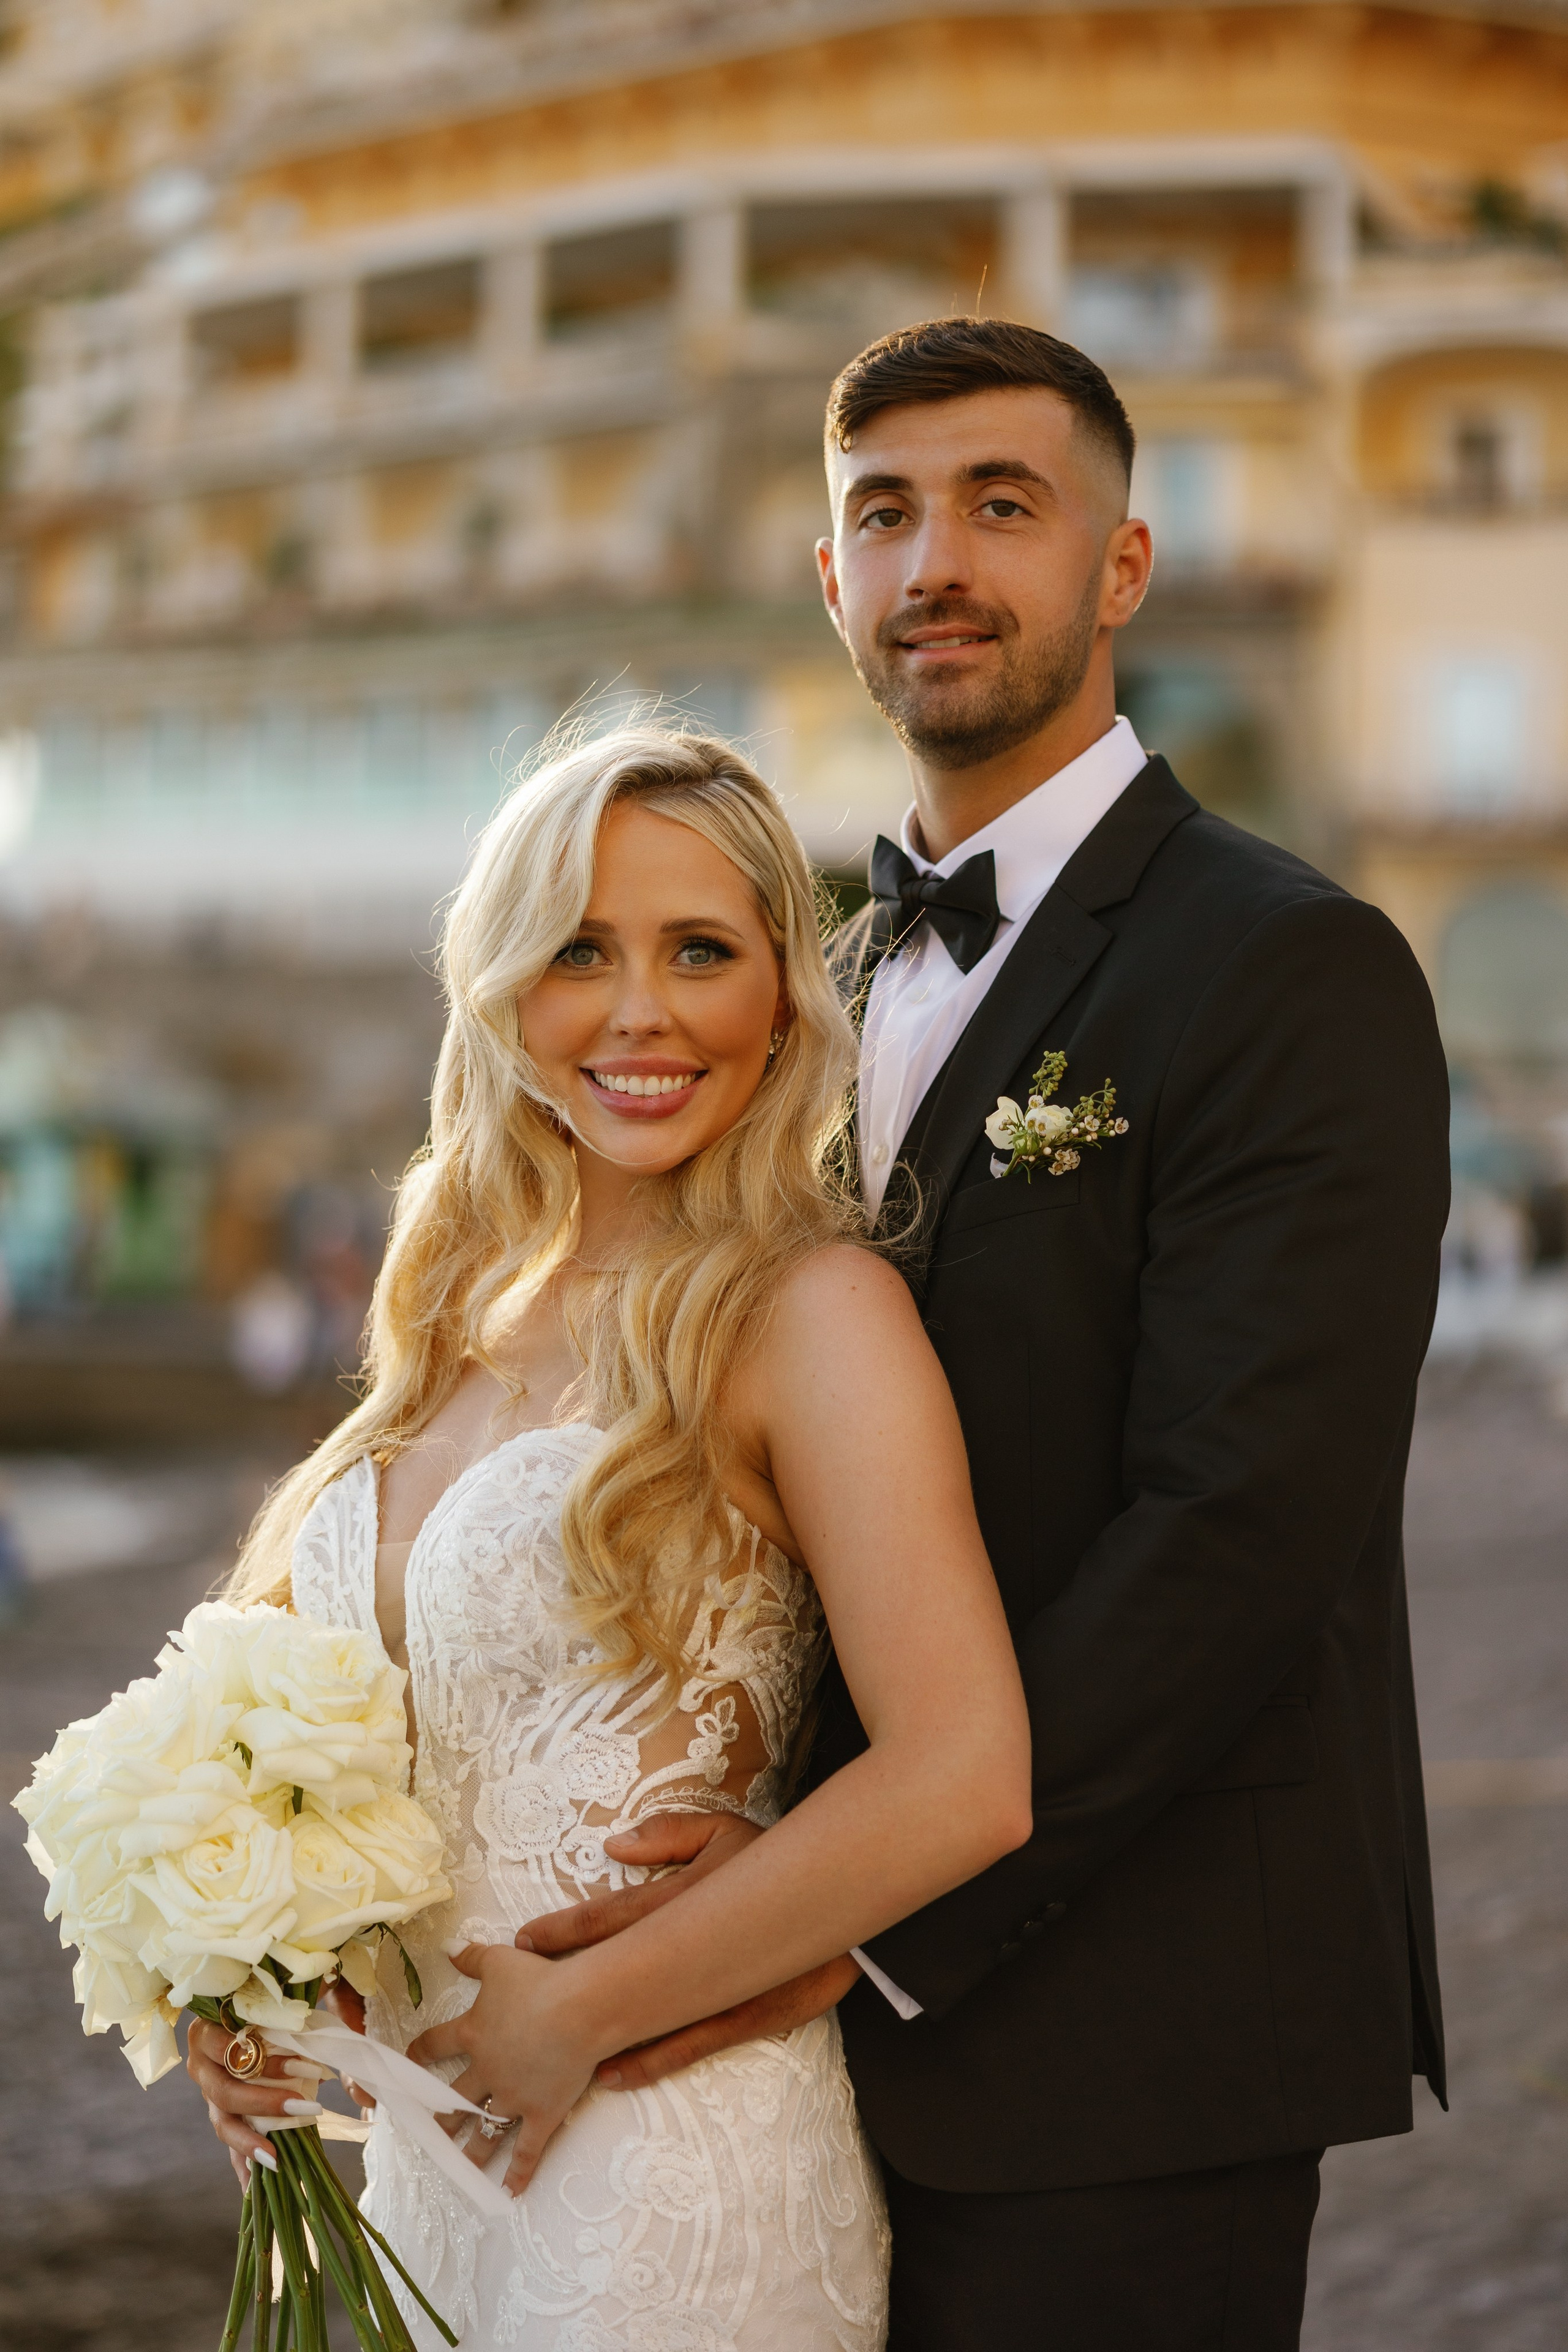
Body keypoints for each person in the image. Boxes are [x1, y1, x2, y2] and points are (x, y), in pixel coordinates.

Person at [521, 318, 1452, 2351]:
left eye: (1001, 507)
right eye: (886, 514)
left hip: (1139, 2017)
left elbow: (1246, 1529)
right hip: (785, 2050)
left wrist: (854, 1926)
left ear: (1120, 569)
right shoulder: (807, 989)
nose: (938, 560)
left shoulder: (1292, 964)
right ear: (830, 582)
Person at [184, 723, 1033, 2350]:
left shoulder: (810, 1315)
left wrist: (577, 2012)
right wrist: (252, 1991)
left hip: (670, 2175)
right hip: (428, 2181)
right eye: (581, 948)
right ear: (502, 986)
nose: (641, 1011)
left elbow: (964, 1772)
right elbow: (366, 1766)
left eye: (699, 951)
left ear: (781, 995)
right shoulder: (450, 1312)